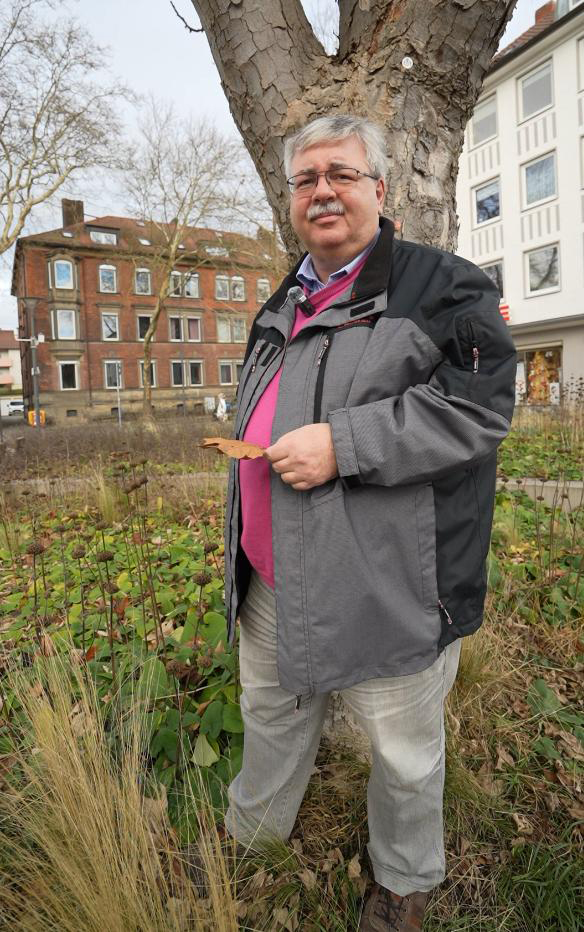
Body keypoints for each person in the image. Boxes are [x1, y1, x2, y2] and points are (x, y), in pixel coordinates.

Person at [222, 114, 516, 931]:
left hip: (391, 586)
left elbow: (478, 406)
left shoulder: (442, 285)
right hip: (273, 574)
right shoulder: (282, 300)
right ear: (291, 199)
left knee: (402, 754)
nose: (323, 190)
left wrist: (342, 444)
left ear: (379, 190)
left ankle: (403, 886)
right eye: (306, 178)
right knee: (270, 718)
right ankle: (253, 841)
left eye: (342, 174)